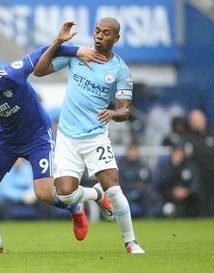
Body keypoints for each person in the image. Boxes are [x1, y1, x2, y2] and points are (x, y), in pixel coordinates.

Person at [0, 22, 110, 254]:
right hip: (5, 140)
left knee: (45, 194)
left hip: (37, 137)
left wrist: (74, 48)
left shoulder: (11, 74)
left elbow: (41, 52)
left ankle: (82, 202)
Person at [33, 19, 144, 254]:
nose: (99, 36)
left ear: (116, 38)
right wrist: (59, 42)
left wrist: (114, 112)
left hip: (96, 137)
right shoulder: (79, 55)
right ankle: (95, 194)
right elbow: (39, 70)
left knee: (114, 189)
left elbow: (125, 110)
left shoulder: (120, 70)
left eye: (106, 33)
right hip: (67, 137)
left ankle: (131, 242)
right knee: (66, 194)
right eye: (97, 31)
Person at [157, 142, 201, 218]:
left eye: (180, 152)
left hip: (188, 199)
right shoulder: (165, 166)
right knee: (168, 208)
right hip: (168, 198)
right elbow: (160, 184)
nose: (178, 154)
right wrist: (173, 191)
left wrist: (187, 191)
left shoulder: (190, 166)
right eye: (176, 151)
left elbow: (196, 184)